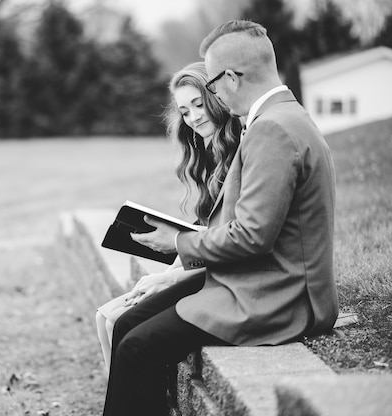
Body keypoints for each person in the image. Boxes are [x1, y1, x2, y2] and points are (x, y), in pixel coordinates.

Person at [102, 20, 339, 416]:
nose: (212, 95)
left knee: (138, 347)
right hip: (253, 280)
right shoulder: (283, 117)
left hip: (275, 297)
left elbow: (252, 237)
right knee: (128, 326)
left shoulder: (273, 131)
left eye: (210, 85)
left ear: (231, 77)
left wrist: (176, 242)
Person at [94, 61, 241, 373]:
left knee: (119, 322)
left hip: (224, 274)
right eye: (185, 111)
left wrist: (172, 275)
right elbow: (203, 228)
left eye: (199, 104)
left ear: (216, 98)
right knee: (104, 317)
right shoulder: (208, 155)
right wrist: (164, 273)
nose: (194, 117)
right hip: (201, 263)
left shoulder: (242, 154)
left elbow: (230, 241)